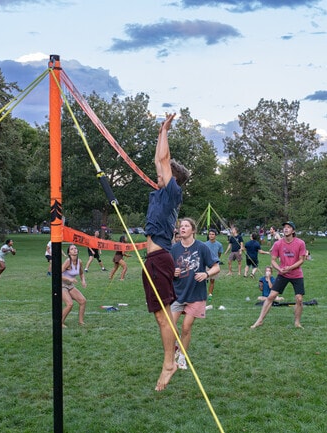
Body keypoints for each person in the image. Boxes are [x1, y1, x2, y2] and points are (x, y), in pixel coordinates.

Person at [141, 113, 188, 391]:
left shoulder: (172, 193)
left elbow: (163, 160)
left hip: (160, 258)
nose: (158, 173)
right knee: (160, 316)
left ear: (173, 178)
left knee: (164, 315)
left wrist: (166, 133)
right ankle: (169, 361)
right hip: (153, 259)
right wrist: (160, 130)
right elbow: (158, 160)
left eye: (164, 172)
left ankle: (169, 363)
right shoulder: (160, 193)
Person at [170, 218, 220, 370]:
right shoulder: (174, 249)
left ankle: (182, 357)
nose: (182, 228)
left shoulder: (202, 247)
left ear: (193, 230)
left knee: (186, 327)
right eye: (181, 226)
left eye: (186, 226)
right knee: (170, 326)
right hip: (178, 293)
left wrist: (206, 274)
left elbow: (216, 267)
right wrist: (173, 272)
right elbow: (168, 271)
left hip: (196, 294)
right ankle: (177, 345)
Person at [251, 221, 307, 329]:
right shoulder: (278, 244)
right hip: (283, 274)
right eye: (285, 227)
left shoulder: (300, 243)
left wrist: (290, 268)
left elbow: (301, 260)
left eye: (289, 227)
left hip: (296, 274)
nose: (286, 229)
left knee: (299, 299)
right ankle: (259, 320)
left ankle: (297, 322)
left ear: (293, 231)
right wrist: (279, 269)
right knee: (271, 296)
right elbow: (273, 260)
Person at [61, 244, 87, 327]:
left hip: (70, 285)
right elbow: (57, 274)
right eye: (72, 249)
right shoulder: (68, 261)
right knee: (70, 304)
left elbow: (81, 273)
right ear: (69, 252)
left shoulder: (79, 261)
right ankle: (59, 323)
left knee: (83, 301)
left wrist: (83, 281)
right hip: (62, 285)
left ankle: (81, 322)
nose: (74, 250)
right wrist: (70, 279)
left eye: (75, 248)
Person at [205, 229, 223, 302]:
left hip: (214, 264)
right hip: (206, 264)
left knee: (212, 280)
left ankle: (210, 295)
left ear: (215, 235)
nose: (211, 235)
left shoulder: (219, 245)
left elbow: (219, 254)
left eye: (213, 234)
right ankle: (203, 294)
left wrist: (216, 260)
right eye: (210, 234)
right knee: (203, 280)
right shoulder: (205, 244)